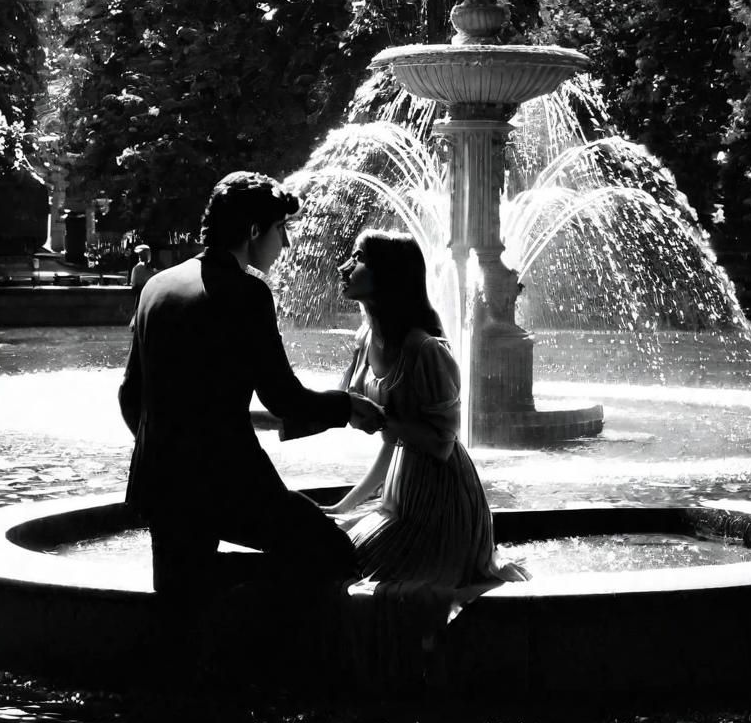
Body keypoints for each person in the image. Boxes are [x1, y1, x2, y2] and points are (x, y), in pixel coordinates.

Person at [118, 171, 385, 598]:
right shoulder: (246, 292)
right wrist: (348, 408)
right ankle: (276, 657)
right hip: (227, 482)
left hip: (161, 481)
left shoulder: (156, 286)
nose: (287, 243)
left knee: (180, 603)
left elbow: (130, 395)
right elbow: (283, 398)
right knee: (334, 553)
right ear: (254, 230)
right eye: (281, 229)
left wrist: (167, 449)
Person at [326, 229, 530, 613]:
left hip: (442, 499)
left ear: (388, 273)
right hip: (402, 493)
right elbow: (391, 439)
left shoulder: (424, 350)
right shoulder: (367, 339)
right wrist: (344, 504)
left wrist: (383, 421)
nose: (344, 266)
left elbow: (440, 443)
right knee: (343, 560)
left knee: (361, 576)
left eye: (357, 258)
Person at [128, 243, 155, 329]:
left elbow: (134, 283)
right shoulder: (138, 268)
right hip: (144, 293)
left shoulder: (139, 268)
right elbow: (135, 283)